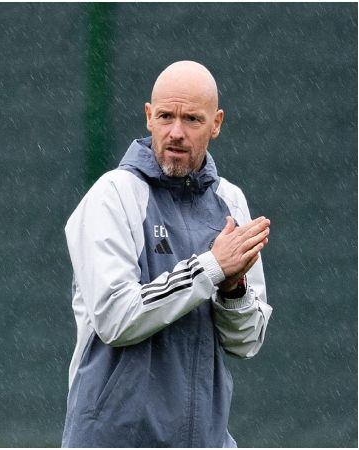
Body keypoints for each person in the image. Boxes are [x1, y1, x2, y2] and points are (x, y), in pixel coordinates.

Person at [61, 61, 273, 447]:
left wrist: (233, 289)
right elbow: (115, 317)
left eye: (192, 118)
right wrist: (211, 268)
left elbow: (247, 341)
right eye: (165, 116)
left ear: (217, 123)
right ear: (148, 117)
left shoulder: (232, 202)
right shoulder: (113, 195)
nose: (176, 132)